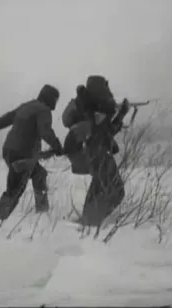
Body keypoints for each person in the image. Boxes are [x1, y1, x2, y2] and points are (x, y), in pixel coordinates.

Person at [0, 84, 64, 221]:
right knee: (14, 191)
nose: (55, 103)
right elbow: (45, 131)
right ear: (51, 99)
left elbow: (7, 118)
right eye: (55, 99)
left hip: (9, 150)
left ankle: (42, 214)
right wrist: (57, 146)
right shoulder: (43, 111)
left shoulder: (27, 106)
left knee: (39, 174)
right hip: (23, 154)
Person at [62, 75, 127, 227]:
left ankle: (87, 221)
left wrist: (120, 114)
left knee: (99, 186)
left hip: (91, 153)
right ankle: (90, 222)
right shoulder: (96, 109)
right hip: (96, 153)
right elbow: (106, 132)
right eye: (105, 87)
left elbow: (104, 132)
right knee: (117, 191)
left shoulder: (90, 106)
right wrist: (121, 113)